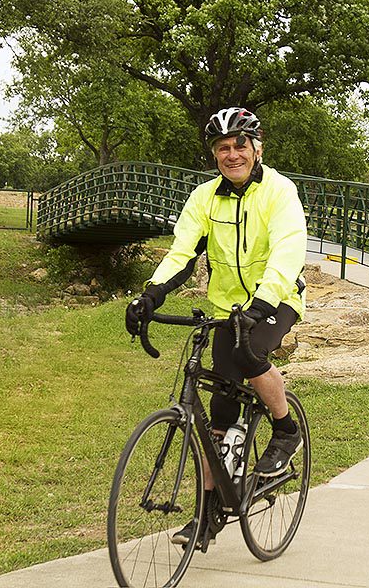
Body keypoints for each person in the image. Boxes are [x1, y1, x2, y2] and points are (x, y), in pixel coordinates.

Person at [125, 106, 308, 546]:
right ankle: (208, 514)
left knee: (251, 354)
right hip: (228, 308)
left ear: (256, 147)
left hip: (276, 299)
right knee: (217, 421)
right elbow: (182, 252)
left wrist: (263, 302)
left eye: (239, 145)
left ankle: (286, 429)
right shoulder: (204, 198)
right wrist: (150, 294)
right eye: (223, 148)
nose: (232, 154)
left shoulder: (280, 192)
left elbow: (287, 252)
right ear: (215, 155)